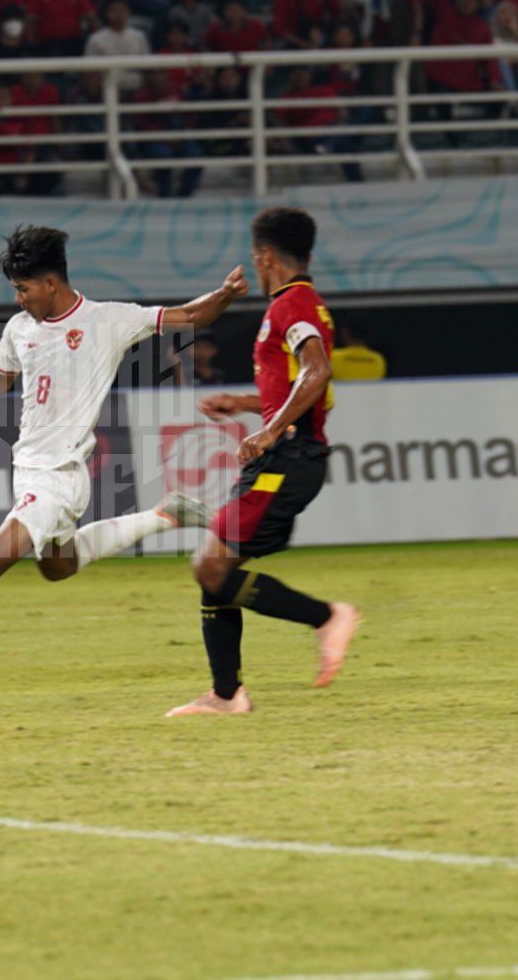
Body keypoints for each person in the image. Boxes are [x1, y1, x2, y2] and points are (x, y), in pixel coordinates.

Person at [0, 226, 251, 698]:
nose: (20, 299)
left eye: (24, 289)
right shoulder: (18, 329)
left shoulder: (108, 321)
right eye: (16, 290)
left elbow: (189, 315)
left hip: (60, 479)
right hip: (29, 471)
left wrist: (225, 295)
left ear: (51, 283)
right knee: (57, 567)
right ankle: (165, 514)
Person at [173, 207, 361, 716]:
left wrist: (271, 430)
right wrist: (243, 404)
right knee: (218, 567)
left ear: (265, 256)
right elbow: (309, 388)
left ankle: (326, 617)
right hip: (289, 452)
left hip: (289, 455)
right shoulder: (299, 304)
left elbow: (317, 373)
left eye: (255, 258)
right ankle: (226, 694)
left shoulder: (292, 306)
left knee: (210, 566)